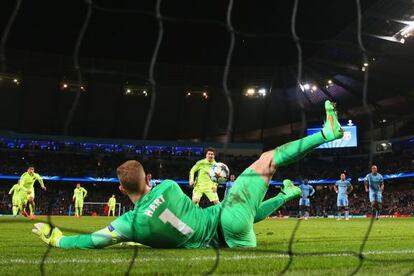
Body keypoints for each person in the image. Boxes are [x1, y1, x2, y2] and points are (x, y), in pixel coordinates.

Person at [32, 100, 343, 250]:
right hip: (225, 218)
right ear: (149, 178)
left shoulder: (129, 225)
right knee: (267, 160)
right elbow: (178, 207)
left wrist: (57, 239)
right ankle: (326, 133)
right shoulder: (167, 185)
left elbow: (92, 240)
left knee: (238, 209)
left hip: (224, 231)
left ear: (122, 190)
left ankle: (286, 195)